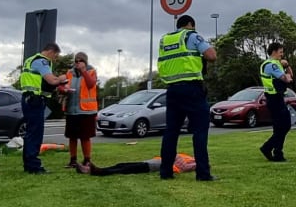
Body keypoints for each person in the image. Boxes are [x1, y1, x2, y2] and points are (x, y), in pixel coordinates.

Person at [158, 14, 217, 181]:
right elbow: (212, 56)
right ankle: (203, 174)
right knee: (200, 131)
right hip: (192, 89)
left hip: (172, 90)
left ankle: (166, 172)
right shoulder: (191, 36)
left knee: (171, 131)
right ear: (191, 24)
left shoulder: (164, 40)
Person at [19, 42, 69, 174]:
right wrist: (62, 78)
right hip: (34, 100)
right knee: (35, 134)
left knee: (30, 133)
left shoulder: (31, 60)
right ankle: (33, 166)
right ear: (51, 52)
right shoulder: (41, 62)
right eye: (56, 56)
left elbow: (45, 83)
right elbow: (51, 80)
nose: (56, 59)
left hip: (29, 99)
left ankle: (29, 163)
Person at [60, 51, 99, 169]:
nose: (77, 63)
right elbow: (62, 86)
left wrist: (83, 71)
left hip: (86, 111)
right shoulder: (69, 73)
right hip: (72, 110)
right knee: (72, 136)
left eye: (80, 61)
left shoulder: (91, 71)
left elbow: (91, 84)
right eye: (76, 61)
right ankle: (73, 160)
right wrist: (63, 89)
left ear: (85, 62)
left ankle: (87, 160)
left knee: (85, 137)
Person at [258, 42, 293, 162]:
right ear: (273, 51)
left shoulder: (277, 64)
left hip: (277, 97)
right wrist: (285, 73)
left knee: (280, 127)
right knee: (285, 125)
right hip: (274, 98)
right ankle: (268, 148)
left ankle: (278, 153)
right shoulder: (271, 65)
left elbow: (290, 76)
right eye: (280, 52)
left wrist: (287, 65)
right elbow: (286, 79)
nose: (282, 55)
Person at [76, 153, 196, 176]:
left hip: (149, 167)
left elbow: (187, 167)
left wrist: (199, 164)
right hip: (146, 162)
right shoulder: (186, 156)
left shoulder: (184, 162)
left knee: (123, 169)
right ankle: (88, 169)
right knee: (121, 165)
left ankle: (98, 171)